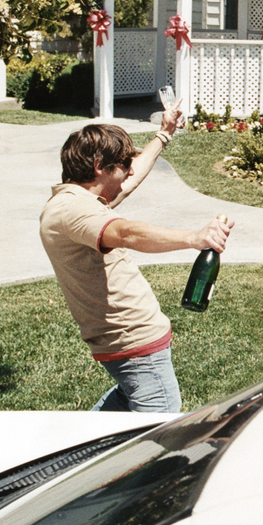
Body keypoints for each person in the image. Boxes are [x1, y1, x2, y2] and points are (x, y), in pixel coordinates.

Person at [40, 114, 234, 412]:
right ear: (98, 167)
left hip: (130, 342)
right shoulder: (74, 210)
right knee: (157, 434)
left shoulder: (78, 200)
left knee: (115, 423)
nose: (130, 173)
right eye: (124, 166)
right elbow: (126, 233)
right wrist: (196, 238)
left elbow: (129, 182)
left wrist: (164, 135)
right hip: (133, 344)